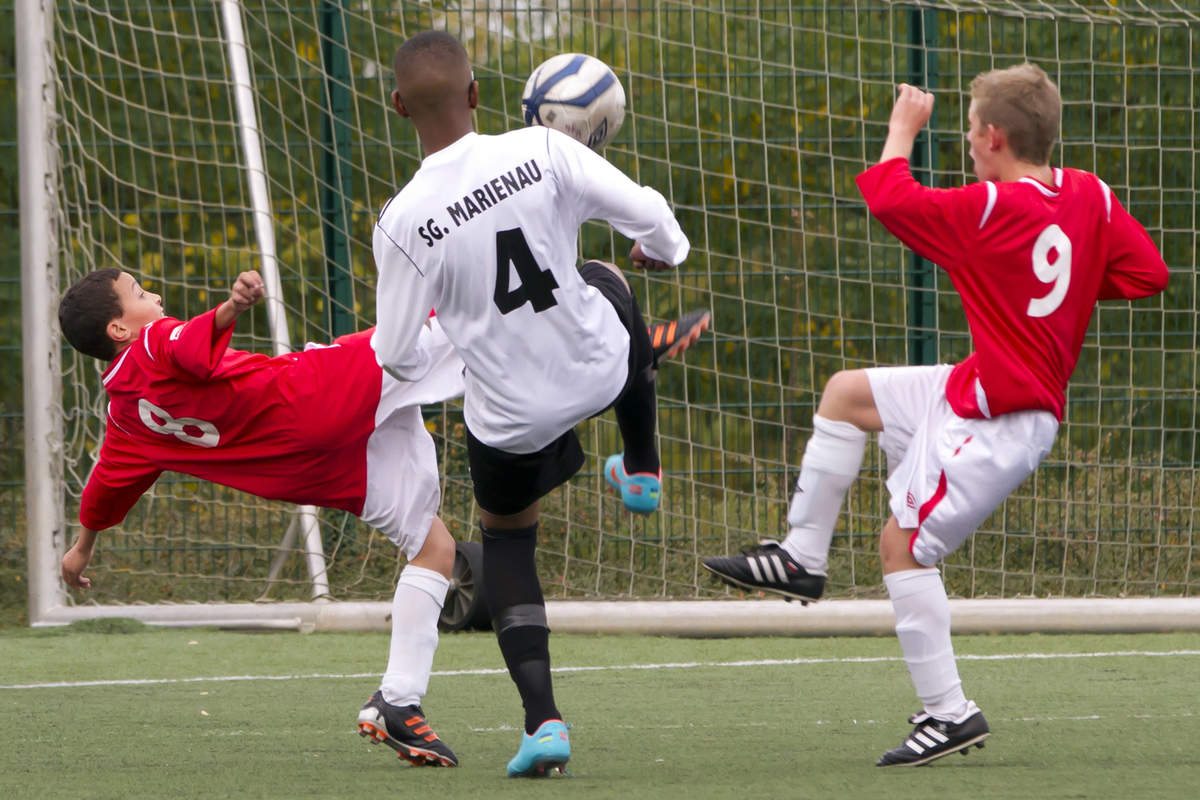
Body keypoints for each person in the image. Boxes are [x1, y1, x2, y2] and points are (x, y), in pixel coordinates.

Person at [703, 63, 1168, 766]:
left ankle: (949, 713)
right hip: (980, 386)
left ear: (993, 137)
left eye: (968, 135)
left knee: (903, 547)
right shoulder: (1090, 195)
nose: (966, 147)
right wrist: (1056, 300)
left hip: (1005, 416)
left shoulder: (987, 211)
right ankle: (801, 556)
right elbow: (1149, 274)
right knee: (845, 394)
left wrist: (902, 128)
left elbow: (891, 198)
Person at [370, 31, 709, 776]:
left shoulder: (400, 222)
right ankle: (643, 467)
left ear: (398, 107)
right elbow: (651, 216)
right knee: (608, 282)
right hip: (600, 372)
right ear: (476, 95)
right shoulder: (542, 150)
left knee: (511, 543)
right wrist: (662, 251)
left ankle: (544, 723)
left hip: (510, 419)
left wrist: (461, 329)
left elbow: (394, 355)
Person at [57, 267, 468, 767]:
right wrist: (231, 307)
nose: (157, 294)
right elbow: (185, 344)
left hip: (318, 469)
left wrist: (81, 550)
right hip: (316, 398)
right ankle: (587, 304)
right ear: (119, 330)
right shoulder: (151, 343)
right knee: (461, 321)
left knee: (435, 550)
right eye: (140, 293)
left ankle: (398, 700)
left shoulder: (125, 419)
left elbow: (106, 489)